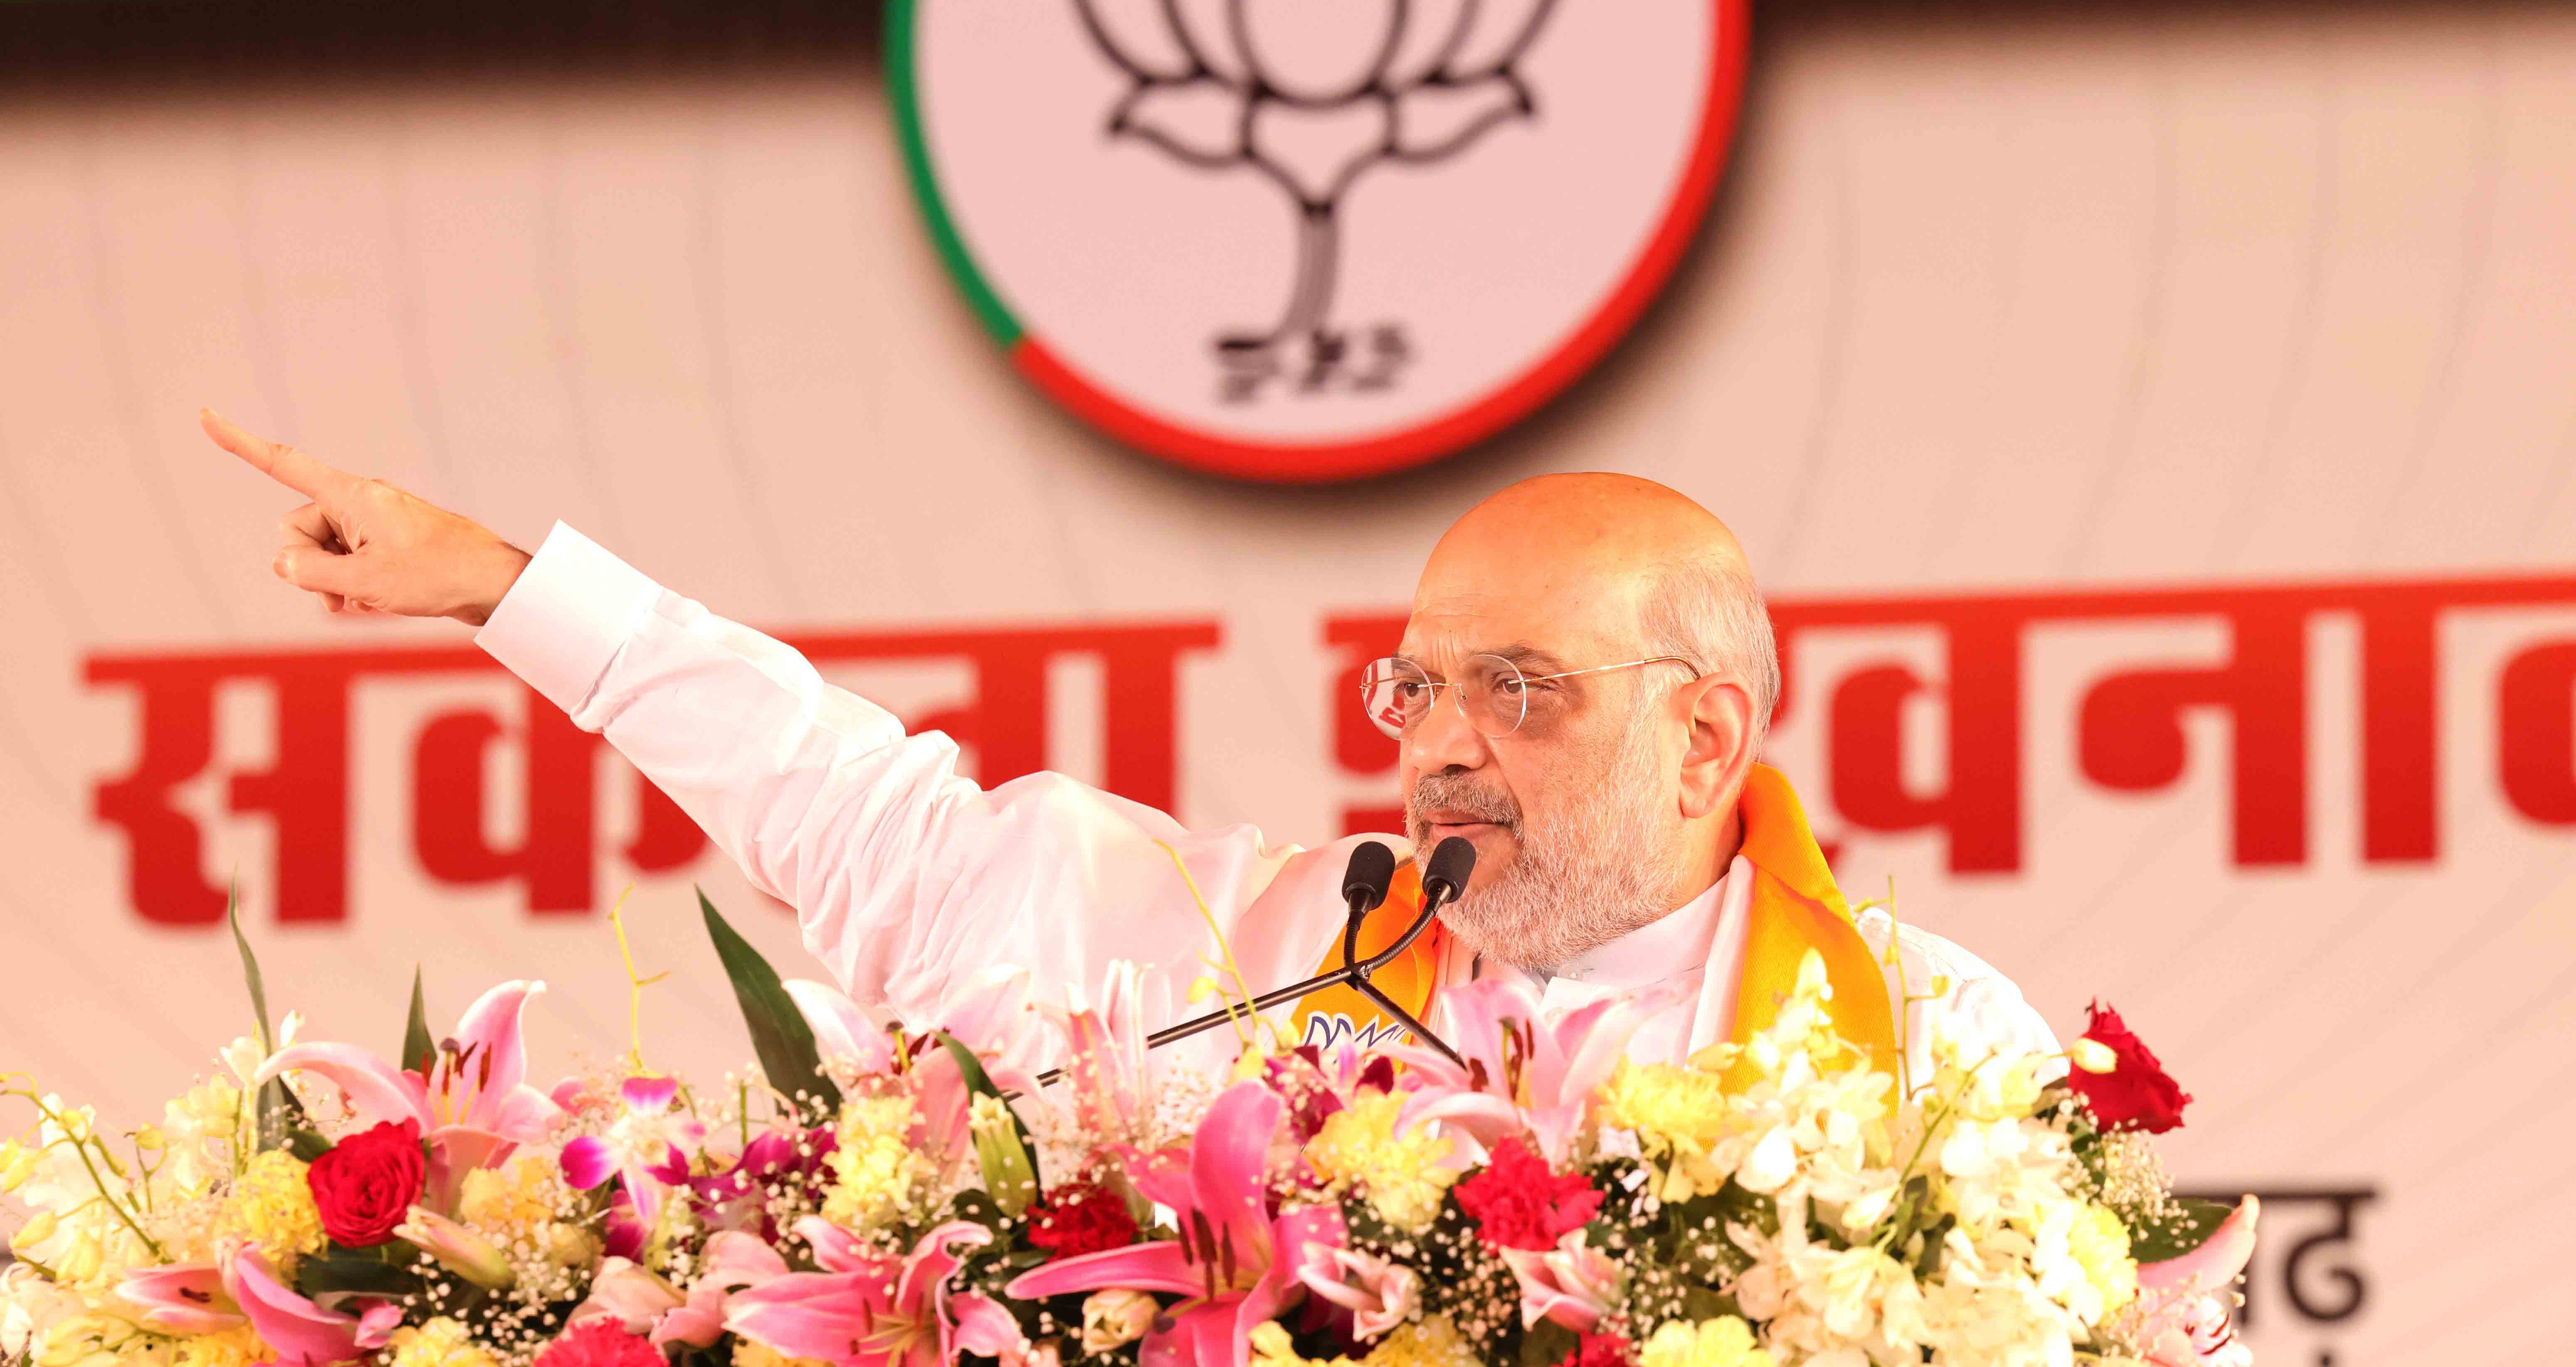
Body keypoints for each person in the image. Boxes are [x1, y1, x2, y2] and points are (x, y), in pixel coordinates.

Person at [202, 411, 2055, 1085]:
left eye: (1521, 687)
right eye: (1415, 691)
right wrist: (507, 591)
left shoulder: (1936, 1060)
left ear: (1704, 735)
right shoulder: (1224, 961)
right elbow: (855, 813)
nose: (1443, 753)